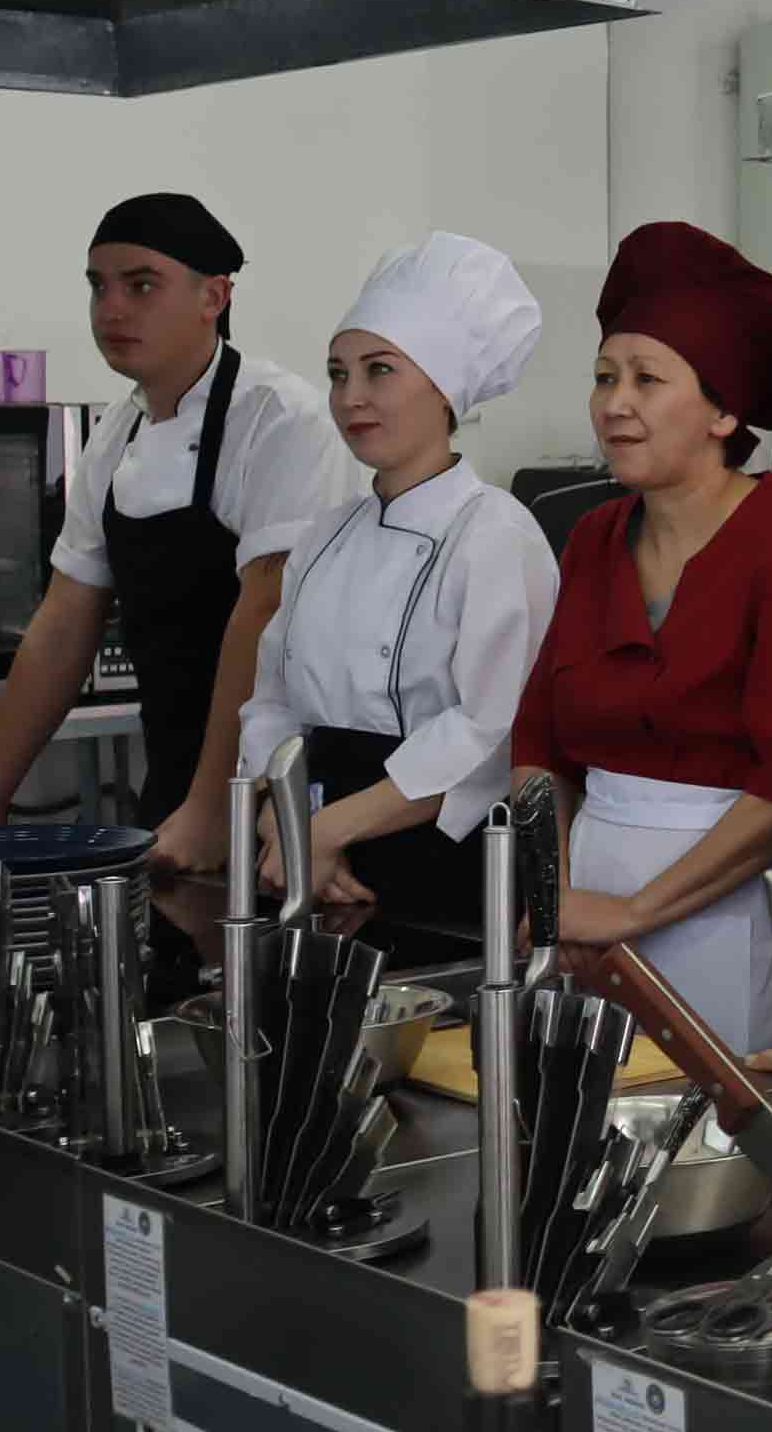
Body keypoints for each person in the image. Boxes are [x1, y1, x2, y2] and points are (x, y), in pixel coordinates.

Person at [509, 222, 772, 1054]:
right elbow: (539, 744)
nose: (614, 403)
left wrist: (633, 912)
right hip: (584, 910)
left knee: (722, 1121)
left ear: (723, 410)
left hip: (734, 912)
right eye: (604, 377)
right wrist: (553, 895)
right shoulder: (593, 536)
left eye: (646, 379)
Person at [0, 192, 358, 873]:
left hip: (285, 796)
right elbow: (62, 625)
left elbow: (263, 615)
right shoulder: (116, 434)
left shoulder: (278, 420)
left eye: (141, 285)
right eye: (98, 286)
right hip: (179, 780)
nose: (111, 310)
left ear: (214, 296)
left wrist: (213, 807)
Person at [238, 233, 559, 931]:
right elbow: (272, 700)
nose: (350, 397)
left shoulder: (496, 534)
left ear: (445, 389)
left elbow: (494, 730)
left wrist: (327, 829)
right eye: (337, 374)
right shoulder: (324, 536)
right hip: (309, 856)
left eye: (379, 370)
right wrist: (280, 818)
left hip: (441, 858)